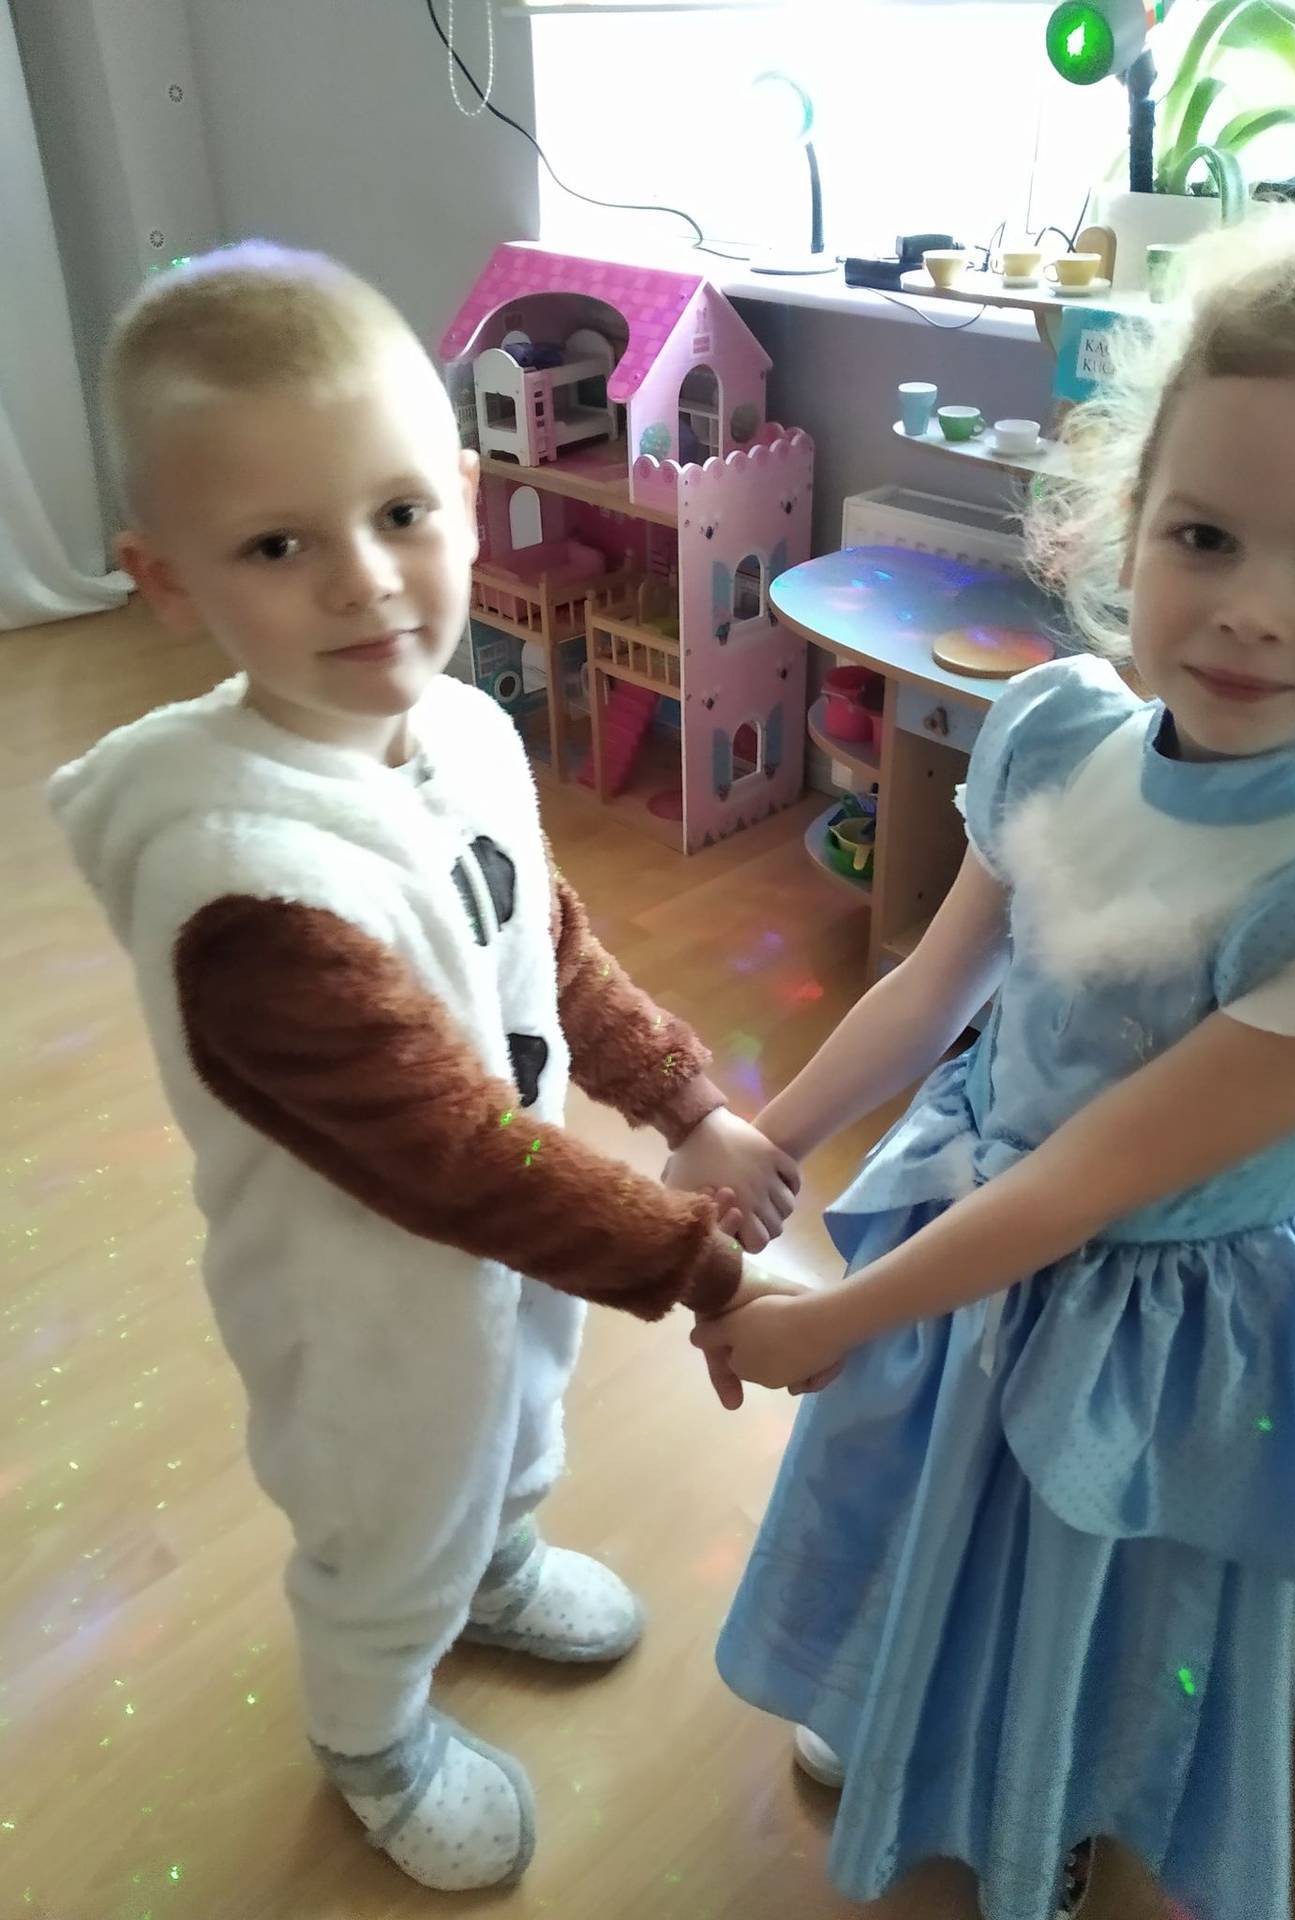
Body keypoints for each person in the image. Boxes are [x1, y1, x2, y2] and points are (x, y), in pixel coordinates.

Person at [696, 233, 1295, 1920]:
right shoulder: (1060, 737)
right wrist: (763, 1136)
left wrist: (836, 1317)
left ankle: (1055, 1802)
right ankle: (896, 1695)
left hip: (1156, 1328)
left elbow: (1091, 1183)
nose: (1254, 605)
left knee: (1087, 1587)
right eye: (1205, 535)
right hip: (975, 1237)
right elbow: (933, 987)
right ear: (1128, 527)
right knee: (923, 1502)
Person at [50, 242, 797, 1893]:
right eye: (277, 545)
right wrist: (702, 1271)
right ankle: (372, 1725)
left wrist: (685, 1101)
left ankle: (496, 1567)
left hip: (495, 1252)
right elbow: (457, 1157)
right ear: (165, 580)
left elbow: (543, 936)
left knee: (512, 1420)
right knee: (389, 1516)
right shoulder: (248, 890)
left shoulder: (460, 729)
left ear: (467, 499)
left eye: (397, 514)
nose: (362, 584)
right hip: (364, 1303)